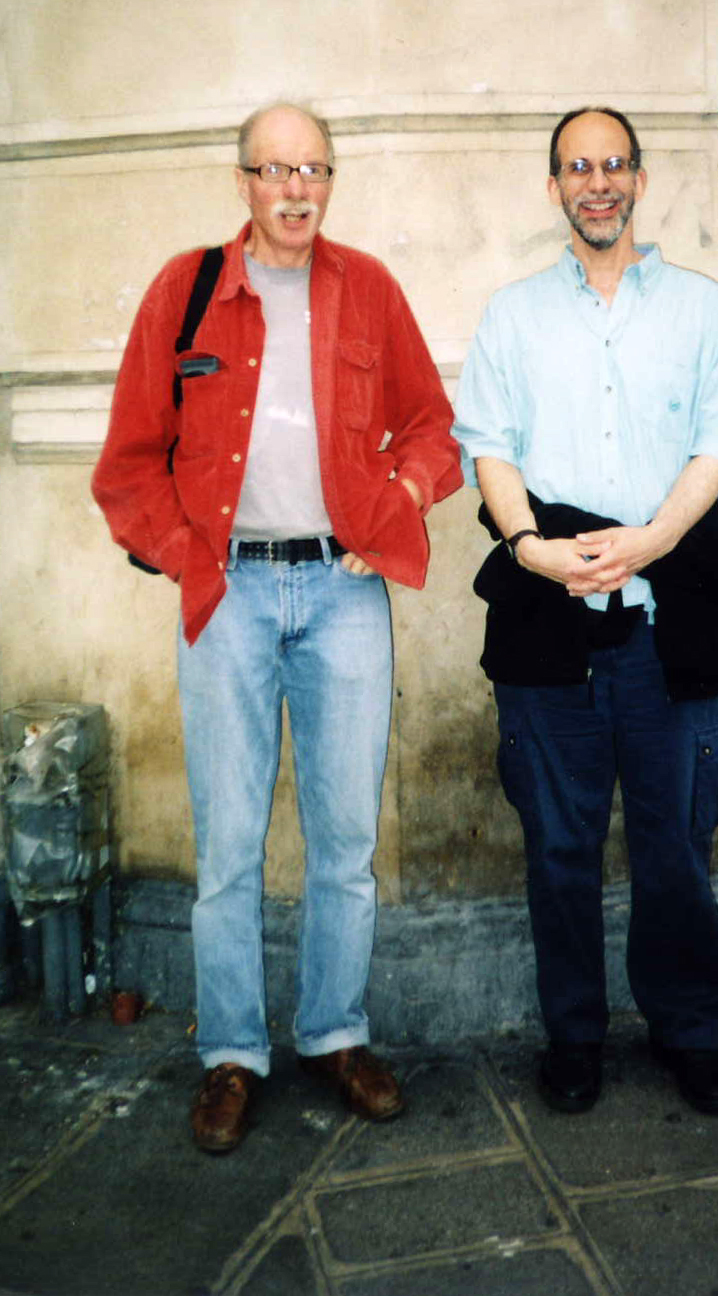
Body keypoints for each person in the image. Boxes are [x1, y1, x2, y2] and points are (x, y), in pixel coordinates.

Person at [92, 103, 462, 1153]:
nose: (297, 190)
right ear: (242, 180)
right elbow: (127, 462)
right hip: (231, 595)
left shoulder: (369, 289)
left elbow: (435, 427)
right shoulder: (187, 290)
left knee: (347, 841)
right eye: (276, 169)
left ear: (331, 182)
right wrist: (184, 553)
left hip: (343, 593)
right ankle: (231, 1053)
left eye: (315, 170)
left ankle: (336, 1033)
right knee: (229, 846)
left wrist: (392, 495)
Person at [453, 107, 718, 1117]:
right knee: (560, 846)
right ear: (553, 187)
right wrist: (531, 548)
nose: (597, 183)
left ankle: (689, 1030)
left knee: (674, 843)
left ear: (638, 177)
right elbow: (486, 443)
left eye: (613, 164)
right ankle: (574, 1035)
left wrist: (653, 540)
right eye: (576, 167)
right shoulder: (511, 315)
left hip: (668, 617)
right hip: (550, 627)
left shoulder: (703, 310)